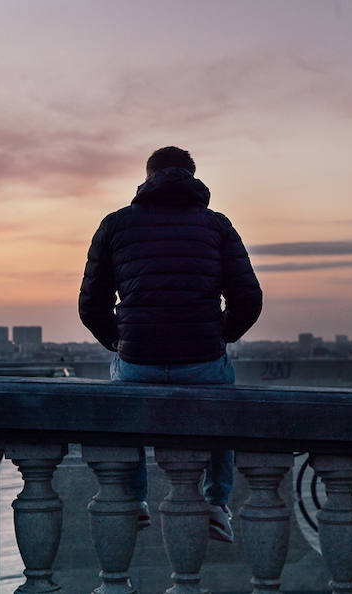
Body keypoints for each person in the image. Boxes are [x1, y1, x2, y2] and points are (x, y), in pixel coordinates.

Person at [78, 146, 262, 543]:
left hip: (138, 357)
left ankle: (135, 498)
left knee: (126, 415)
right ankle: (217, 503)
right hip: (202, 356)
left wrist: (118, 340)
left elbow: (91, 303)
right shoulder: (216, 226)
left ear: (147, 178)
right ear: (193, 177)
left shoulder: (116, 224)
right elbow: (249, 298)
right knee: (219, 420)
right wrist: (221, 335)